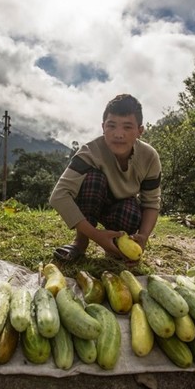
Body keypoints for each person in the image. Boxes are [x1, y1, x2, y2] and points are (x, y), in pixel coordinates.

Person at [49, 93, 162, 263]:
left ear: (140, 131)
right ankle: (80, 243)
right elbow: (58, 196)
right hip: (92, 200)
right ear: (103, 127)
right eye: (112, 125)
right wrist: (96, 236)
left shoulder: (149, 157)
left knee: (131, 210)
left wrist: (144, 236)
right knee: (93, 179)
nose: (118, 134)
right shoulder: (90, 152)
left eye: (127, 127)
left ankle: (118, 246)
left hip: (121, 207)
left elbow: (151, 203)